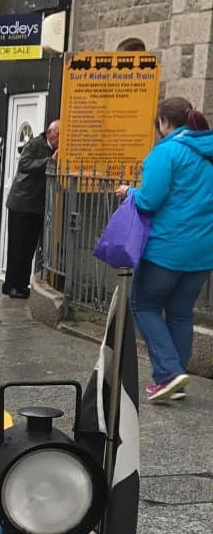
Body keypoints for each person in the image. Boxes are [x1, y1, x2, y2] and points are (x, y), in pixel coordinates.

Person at [116, 97, 213, 403]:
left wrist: (129, 191)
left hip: (167, 248)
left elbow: (149, 200)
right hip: (203, 252)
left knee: (144, 305)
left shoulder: (166, 152)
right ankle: (176, 381)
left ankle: (169, 373)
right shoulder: (208, 152)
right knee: (181, 313)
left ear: (163, 122)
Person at [3, 120, 59, 297]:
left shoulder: (55, 149)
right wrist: (49, 161)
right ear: (50, 132)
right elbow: (24, 164)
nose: (60, 139)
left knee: (29, 248)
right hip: (21, 203)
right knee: (17, 247)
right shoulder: (35, 144)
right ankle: (11, 284)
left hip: (36, 206)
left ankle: (22, 284)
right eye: (58, 135)